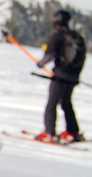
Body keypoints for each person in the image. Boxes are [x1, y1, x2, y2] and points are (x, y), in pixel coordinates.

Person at [35, 10, 86, 142]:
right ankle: (73, 131)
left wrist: (40, 64)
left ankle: (49, 132)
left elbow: (49, 55)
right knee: (66, 103)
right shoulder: (76, 37)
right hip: (73, 76)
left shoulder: (57, 37)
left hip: (60, 75)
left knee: (52, 104)